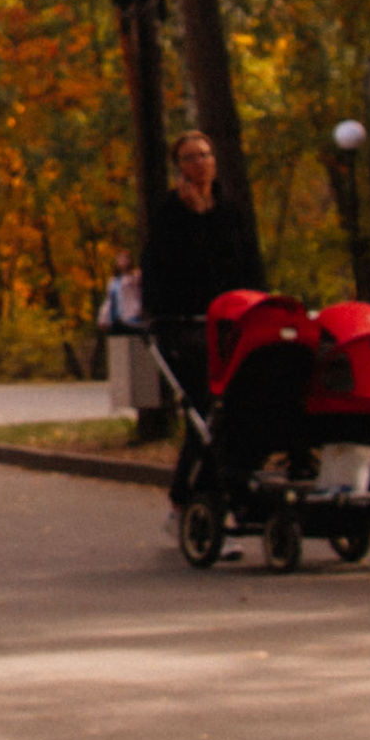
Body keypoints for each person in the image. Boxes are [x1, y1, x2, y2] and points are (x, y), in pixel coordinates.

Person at [141, 129, 257, 491]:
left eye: (205, 155)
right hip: (188, 326)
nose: (200, 163)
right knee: (205, 411)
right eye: (190, 157)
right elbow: (167, 266)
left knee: (239, 410)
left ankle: (202, 492)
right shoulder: (171, 212)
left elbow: (246, 262)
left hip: (232, 322)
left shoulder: (229, 208)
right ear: (180, 166)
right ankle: (194, 494)